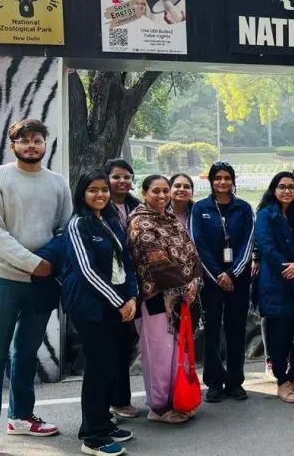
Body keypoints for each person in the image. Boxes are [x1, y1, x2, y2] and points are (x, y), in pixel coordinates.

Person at [0, 119, 70, 456]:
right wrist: (34, 263)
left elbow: (65, 229)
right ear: (12, 144)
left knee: (27, 353)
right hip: (1, 278)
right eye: (24, 140)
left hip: (42, 281)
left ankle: (21, 417)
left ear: (45, 144)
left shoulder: (57, 183)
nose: (31, 145)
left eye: (37, 139)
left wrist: (46, 265)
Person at [61, 170, 137, 456]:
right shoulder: (78, 224)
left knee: (110, 364)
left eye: (104, 189)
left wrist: (132, 296)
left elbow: (126, 261)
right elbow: (87, 271)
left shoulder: (110, 220)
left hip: (115, 303)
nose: (101, 195)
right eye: (93, 190)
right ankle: (93, 436)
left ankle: (103, 422)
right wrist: (120, 302)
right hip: (90, 306)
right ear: (82, 193)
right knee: (97, 367)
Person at [128, 175, 202, 423]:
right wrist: (183, 286)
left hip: (181, 298)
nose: (162, 195)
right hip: (156, 298)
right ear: (144, 193)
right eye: (155, 191)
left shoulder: (171, 219)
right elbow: (155, 260)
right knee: (158, 353)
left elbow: (192, 253)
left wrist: (194, 281)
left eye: (165, 191)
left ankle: (178, 399)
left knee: (177, 352)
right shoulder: (140, 222)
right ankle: (158, 407)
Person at [191, 162, 255, 403]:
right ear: (211, 181)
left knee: (236, 329)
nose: (222, 182)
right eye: (218, 178)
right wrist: (218, 274)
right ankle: (214, 381)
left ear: (233, 180)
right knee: (212, 332)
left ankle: (235, 381)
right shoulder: (200, 208)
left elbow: (249, 243)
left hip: (238, 280)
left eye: (227, 178)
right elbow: (198, 245)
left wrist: (233, 274)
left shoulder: (244, 208)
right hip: (212, 281)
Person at [255, 172, 294, 403]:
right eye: (282, 187)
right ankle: (282, 381)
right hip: (277, 284)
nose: (287, 191)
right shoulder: (265, 215)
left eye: (291, 187)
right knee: (279, 337)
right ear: (274, 190)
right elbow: (268, 249)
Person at [103, 159, 141, 420]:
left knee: (125, 344)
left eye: (127, 176)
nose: (122, 181)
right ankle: (107, 403)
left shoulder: (137, 207)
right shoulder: (98, 208)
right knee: (109, 346)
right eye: (116, 176)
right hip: (109, 284)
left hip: (133, 282)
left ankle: (120, 400)